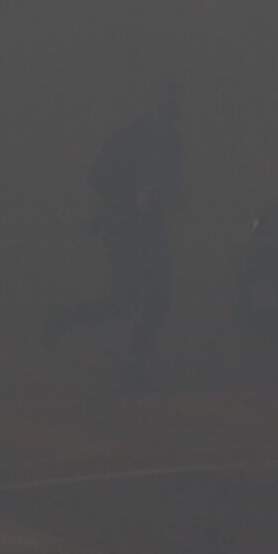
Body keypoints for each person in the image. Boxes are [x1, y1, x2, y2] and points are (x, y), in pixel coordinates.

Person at [46, 86, 183, 390]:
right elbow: (97, 176)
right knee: (131, 302)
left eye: (179, 96)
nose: (176, 103)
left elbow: (174, 189)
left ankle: (131, 369)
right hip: (124, 229)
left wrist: (166, 200)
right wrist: (130, 197)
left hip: (150, 230)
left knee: (148, 301)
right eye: (171, 96)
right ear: (157, 100)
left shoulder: (173, 141)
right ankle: (64, 322)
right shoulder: (132, 135)